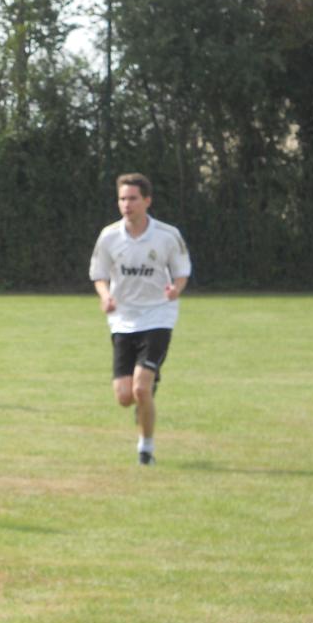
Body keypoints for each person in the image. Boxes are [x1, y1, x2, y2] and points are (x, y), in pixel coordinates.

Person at [89, 172, 191, 466]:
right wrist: (104, 296)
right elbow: (99, 274)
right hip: (123, 319)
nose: (126, 204)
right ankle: (144, 396)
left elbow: (182, 271)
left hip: (159, 314)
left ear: (147, 201)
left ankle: (145, 449)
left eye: (132, 198)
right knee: (124, 396)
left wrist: (176, 289)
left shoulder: (167, 235)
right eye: (122, 198)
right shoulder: (109, 236)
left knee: (141, 388)